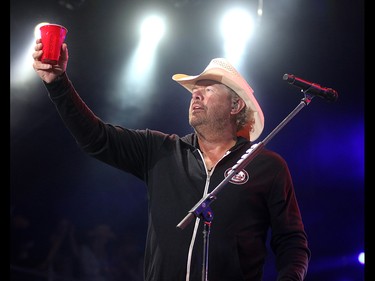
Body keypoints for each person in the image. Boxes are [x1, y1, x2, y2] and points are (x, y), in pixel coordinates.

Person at [32, 38, 311, 281]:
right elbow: (96, 138)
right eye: (194, 90)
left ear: (235, 105)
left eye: (208, 88)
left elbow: (291, 241)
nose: (196, 94)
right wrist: (58, 84)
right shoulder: (161, 150)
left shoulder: (266, 166)